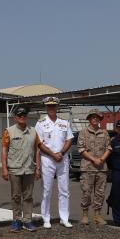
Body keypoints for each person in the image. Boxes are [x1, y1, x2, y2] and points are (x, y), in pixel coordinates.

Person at [35, 96, 74, 229]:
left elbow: (69, 140)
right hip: (47, 159)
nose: (51, 108)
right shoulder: (40, 123)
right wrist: (53, 154)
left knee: (64, 189)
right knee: (47, 189)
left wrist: (61, 153)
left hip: (62, 159)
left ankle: (64, 218)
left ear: (57, 107)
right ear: (46, 107)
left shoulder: (64, 122)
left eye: (53, 106)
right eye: (49, 106)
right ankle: (46, 218)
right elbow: (39, 143)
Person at [1, 106, 39, 232]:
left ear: (26, 117)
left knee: (28, 196)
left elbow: (37, 150)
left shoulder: (33, 131)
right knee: (16, 196)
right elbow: (4, 150)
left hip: (29, 168)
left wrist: (37, 168)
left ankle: (27, 220)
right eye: (19, 115)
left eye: (24, 115)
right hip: (15, 169)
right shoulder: (9, 131)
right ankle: (17, 220)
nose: (22, 117)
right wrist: (4, 169)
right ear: (15, 117)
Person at [77, 109, 112, 226]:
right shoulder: (83, 132)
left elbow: (109, 148)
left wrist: (102, 159)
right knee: (86, 192)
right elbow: (81, 149)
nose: (95, 119)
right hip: (87, 168)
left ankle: (97, 215)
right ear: (89, 119)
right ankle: (85, 215)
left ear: (99, 119)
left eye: (97, 117)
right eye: (92, 117)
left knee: (100, 193)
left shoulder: (105, 133)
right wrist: (94, 159)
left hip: (101, 168)